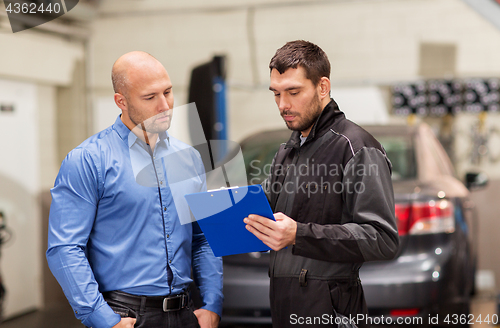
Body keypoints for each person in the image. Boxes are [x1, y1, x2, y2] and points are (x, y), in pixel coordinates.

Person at [46, 51, 223, 328]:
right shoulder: (89, 160)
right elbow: (65, 248)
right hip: (125, 316)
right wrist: (102, 319)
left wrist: (212, 304)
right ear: (121, 101)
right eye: (150, 97)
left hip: (187, 314)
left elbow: (203, 238)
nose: (164, 105)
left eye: (168, 92)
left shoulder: (189, 158)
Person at [244, 40, 399, 327]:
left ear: (323, 87)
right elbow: (261, 211)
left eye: (293, 92)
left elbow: (382, 239)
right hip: (285, 307)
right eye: (276, 94)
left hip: (332, 312)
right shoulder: (287, 151)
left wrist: (298, 235)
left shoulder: (356, 148)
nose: (282, 105)